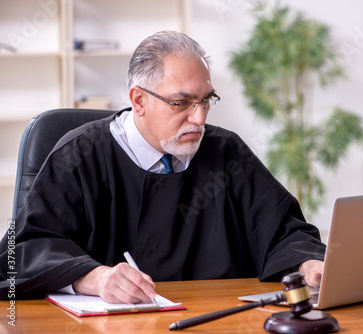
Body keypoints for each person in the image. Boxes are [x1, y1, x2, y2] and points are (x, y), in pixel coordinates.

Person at [0, 31, 325, 303]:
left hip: (219, 319)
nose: (198, 118)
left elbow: (282, 230)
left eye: (206, 100)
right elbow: (28, 249)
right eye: (181, 102)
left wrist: (308, 262)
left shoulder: (226, 151)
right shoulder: (80, 154)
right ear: (138, 100)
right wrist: (95, 278)